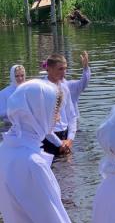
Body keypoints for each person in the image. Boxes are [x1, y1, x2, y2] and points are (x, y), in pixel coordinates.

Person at [0, 79, 71, 223]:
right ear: (38, 112)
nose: (58, 119)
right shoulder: (33, 163)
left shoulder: (5, 149)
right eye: (54, 112)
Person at [42, 54, 77, 156]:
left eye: (65, 69)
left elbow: (71, 115)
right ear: (49, 69)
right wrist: (59, 143)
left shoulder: (64, 88)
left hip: (65, 136)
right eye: (60, 69)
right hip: (48, 138)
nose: (64, 72)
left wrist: (70, 139)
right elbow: (42, 123)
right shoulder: (42, 89)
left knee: (68, 170)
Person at [64, 51, 90, 118]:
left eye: (64, 68)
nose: (63, 71)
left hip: (73, 121)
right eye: (60, 69)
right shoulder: (46, 85)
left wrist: (85, 68)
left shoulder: (70, 85)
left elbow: (84, 82)